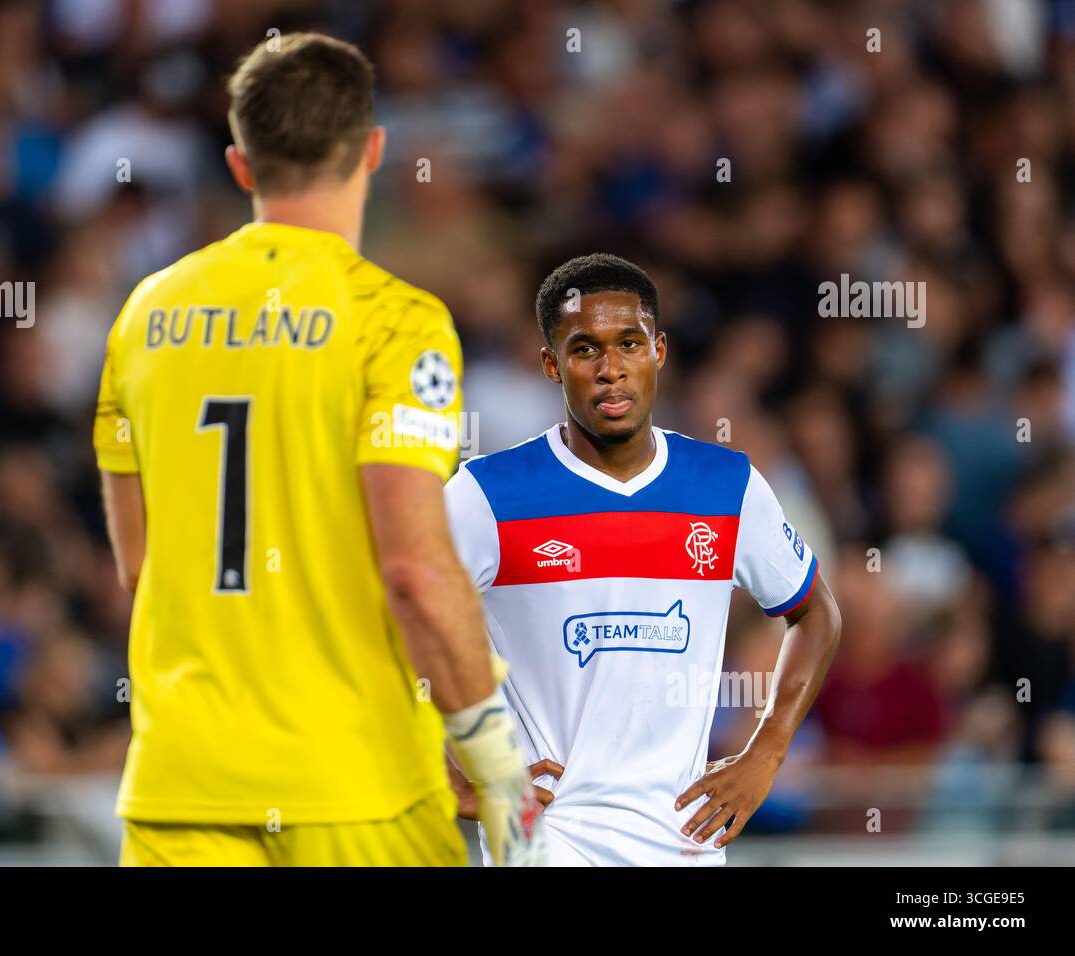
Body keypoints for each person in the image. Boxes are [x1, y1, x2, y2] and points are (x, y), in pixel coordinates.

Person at [94, 33, 542, 866]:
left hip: (180, 787)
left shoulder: (145, 314)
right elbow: (414, 567)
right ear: (373, 151)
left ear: (239, 165)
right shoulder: (396, 322)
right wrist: (488, 748)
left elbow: (139, 565)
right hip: (355, 784)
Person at [444, 253, 842, 865]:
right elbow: (390, 616)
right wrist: (444, 761)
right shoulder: (487, 494)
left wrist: (767, 753)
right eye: (585, 350)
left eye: (628, 344)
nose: (611, 370)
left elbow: (816, 615)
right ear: (551, 364)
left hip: (687, 841)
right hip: (549, 837)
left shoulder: (726, 486)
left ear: (659, 350)